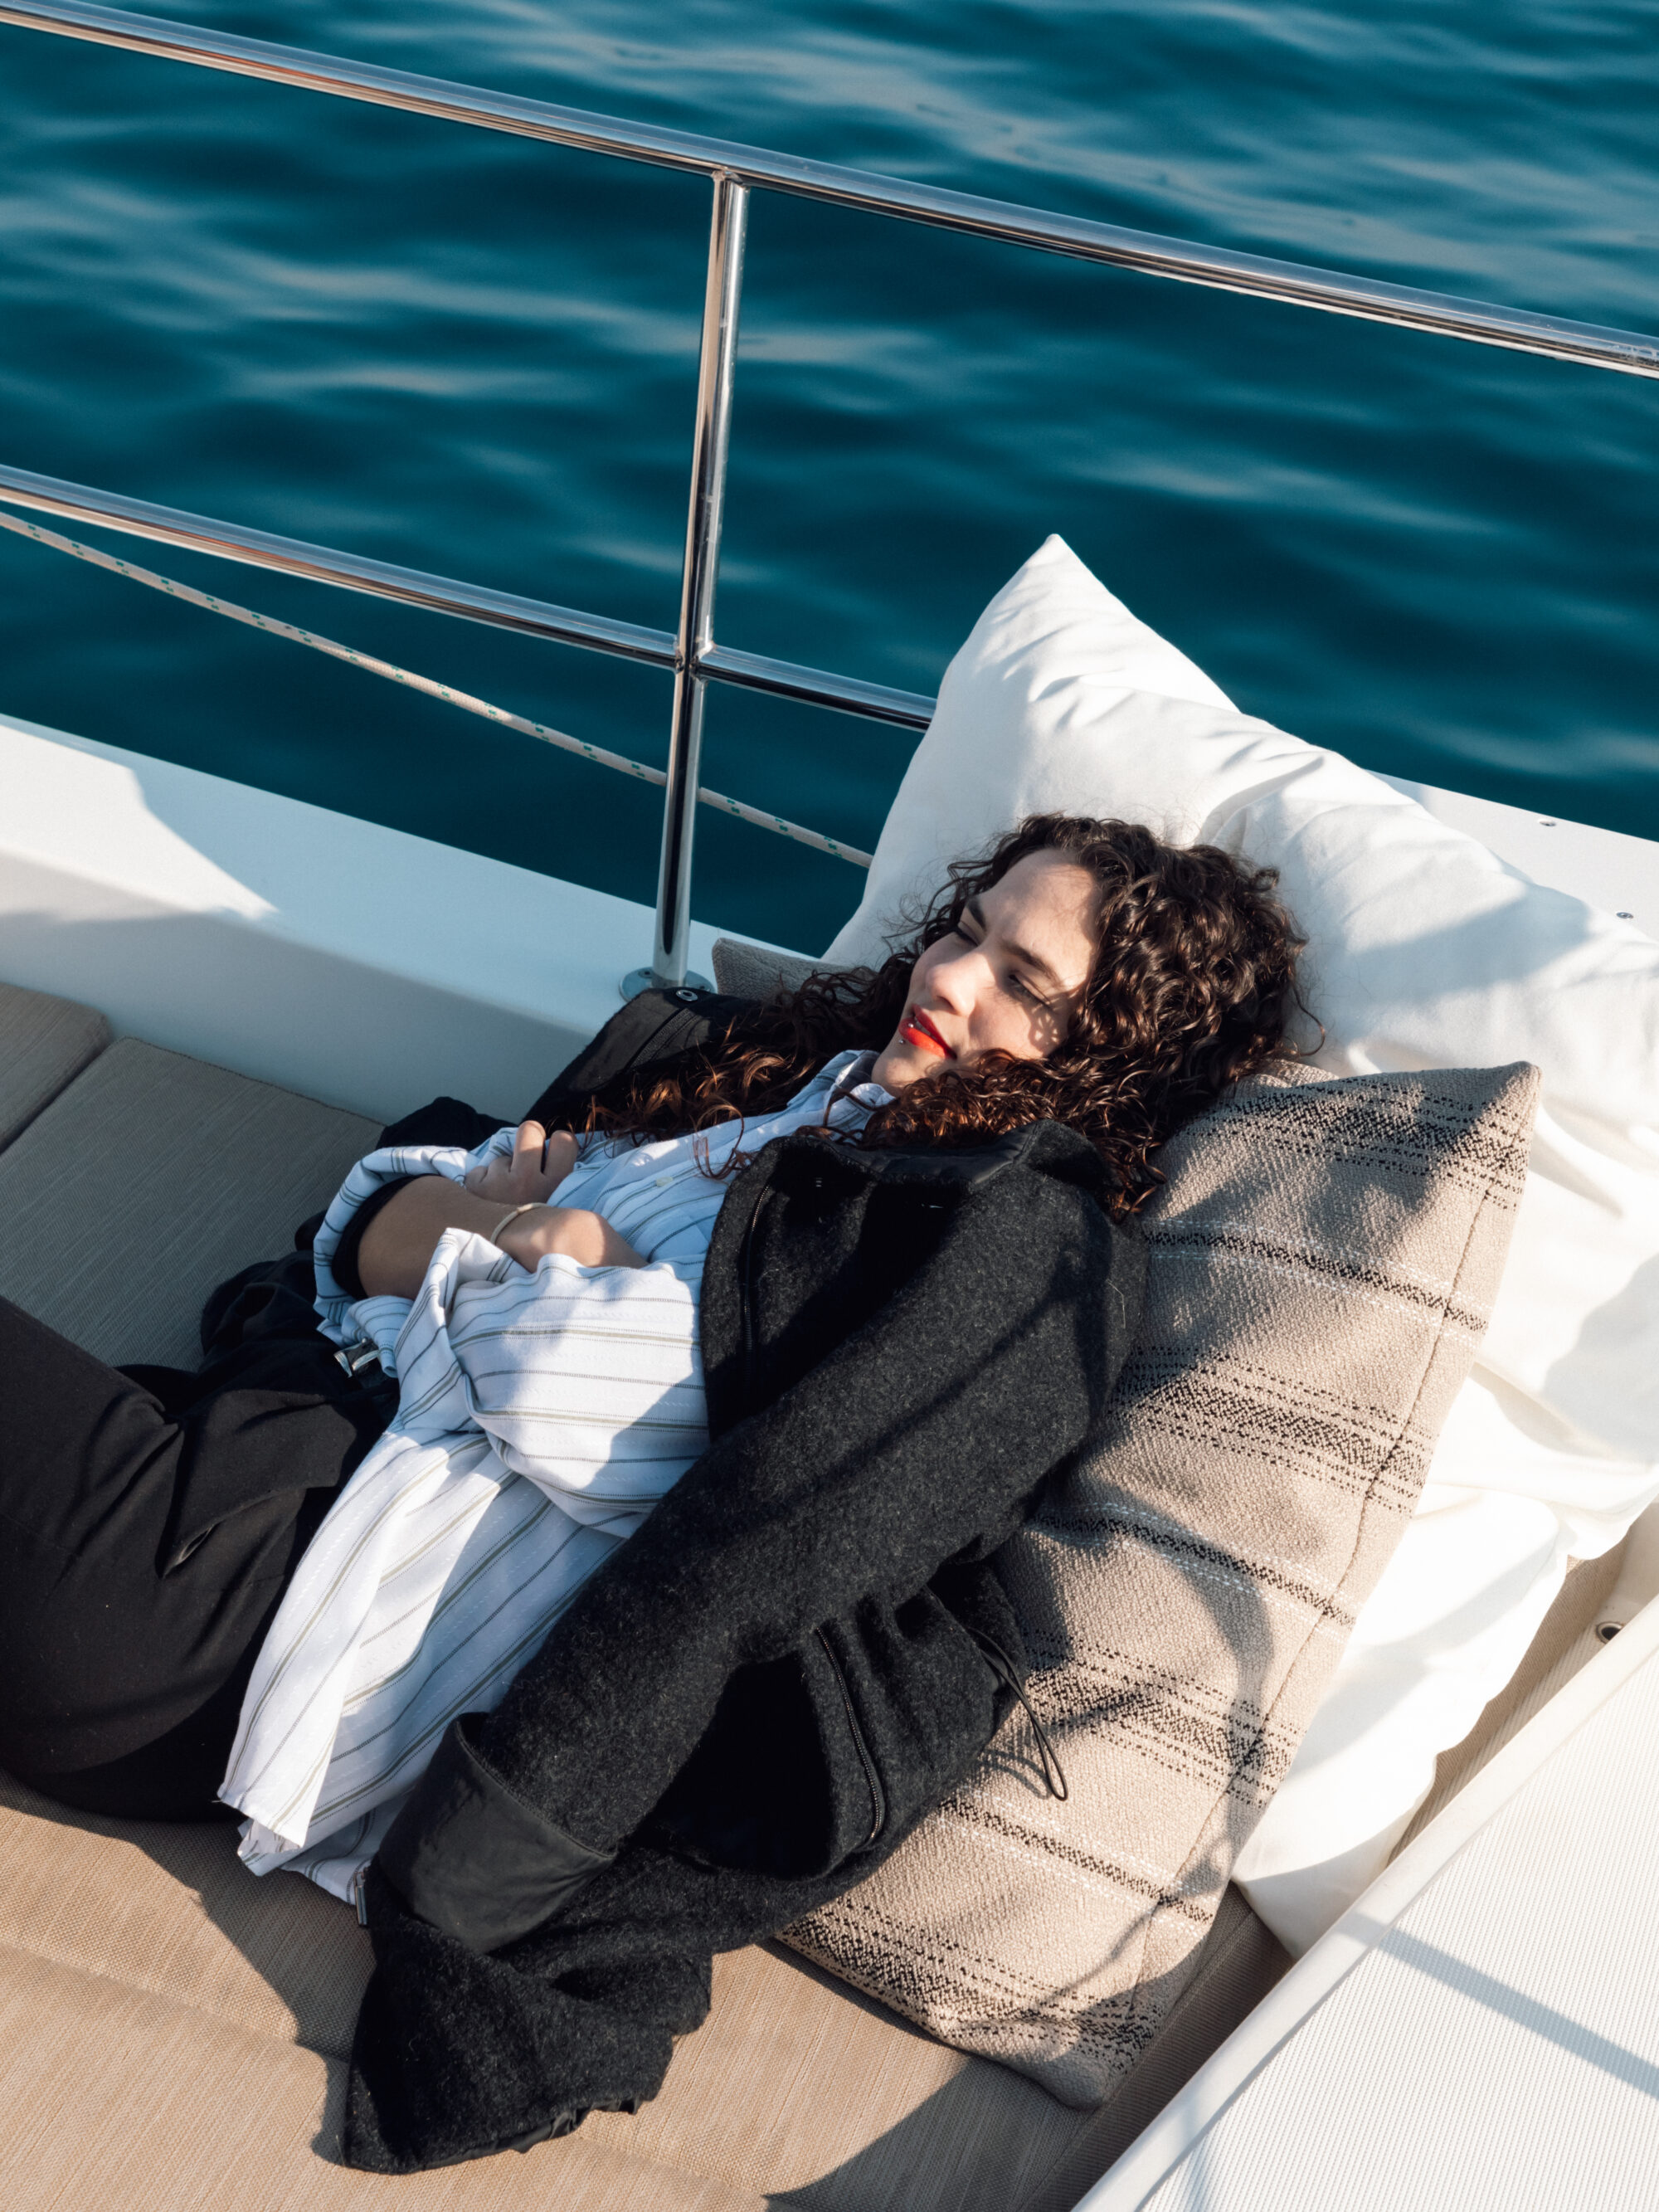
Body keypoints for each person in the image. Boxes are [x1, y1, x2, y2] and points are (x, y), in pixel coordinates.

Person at [0, 816, 1301, 2151]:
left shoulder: (986, 1232)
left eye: (1025, 985)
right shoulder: (790, 1081)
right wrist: (533, 1239)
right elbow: (364, 1221)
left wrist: (510, 1233)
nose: (950, 976)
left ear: (1113, 1062)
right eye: (970, 926)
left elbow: (571, 1400)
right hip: (234, 1474)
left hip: (238, 1608)